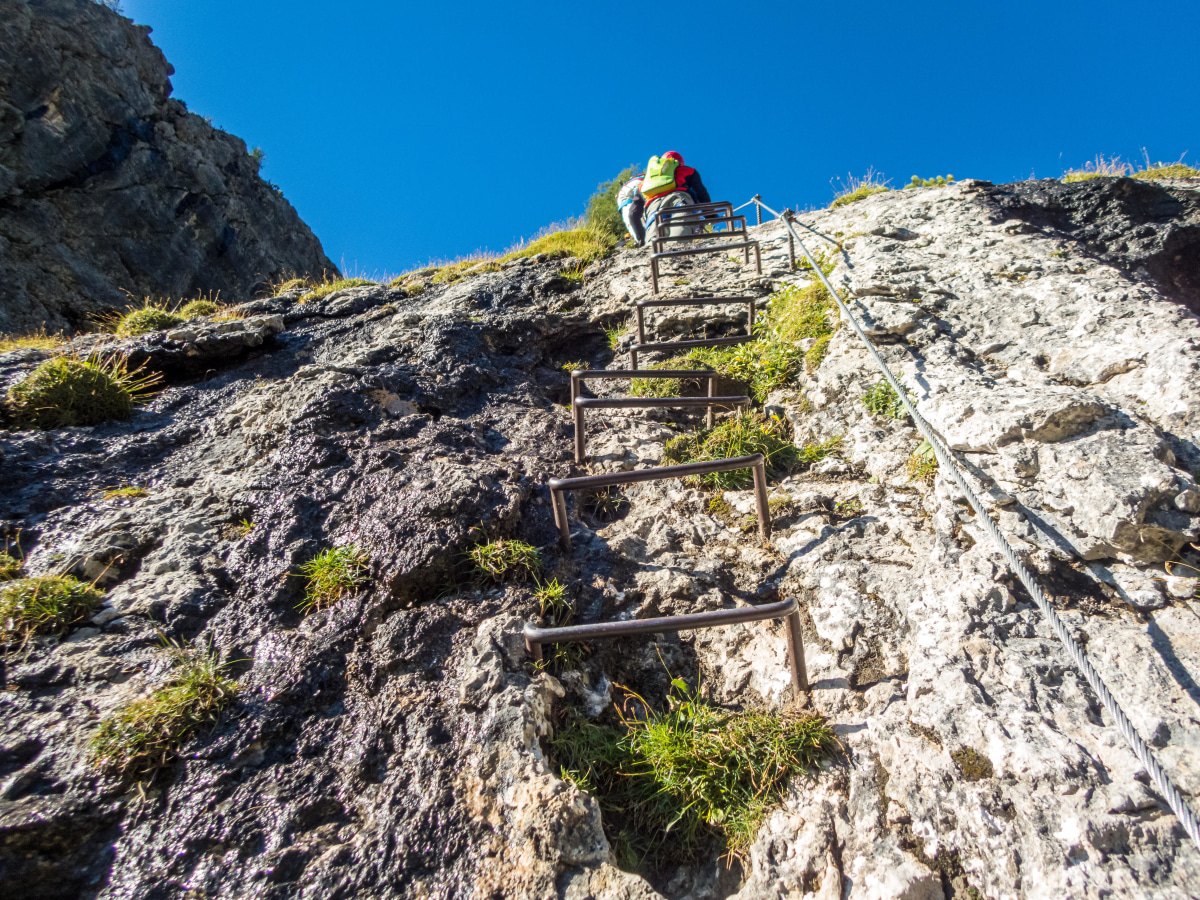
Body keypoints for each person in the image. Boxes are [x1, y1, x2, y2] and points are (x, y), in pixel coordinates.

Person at [640, 151, 711, 244]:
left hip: (653, 206)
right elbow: (701, 192)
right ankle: (675, 253)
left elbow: (640, 195)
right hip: (678, 198)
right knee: (680, 230)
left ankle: (654, 253)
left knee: (654, 239)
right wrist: (710, 214)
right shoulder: (685, 170)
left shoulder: (648, 179)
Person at [616, 172, 646, 246]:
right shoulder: (644, 176)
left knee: (629, 217)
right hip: (640, 182)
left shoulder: (629, 181)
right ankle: (648, 237)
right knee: (646, 210)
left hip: (622, 193)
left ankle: (639, 240)